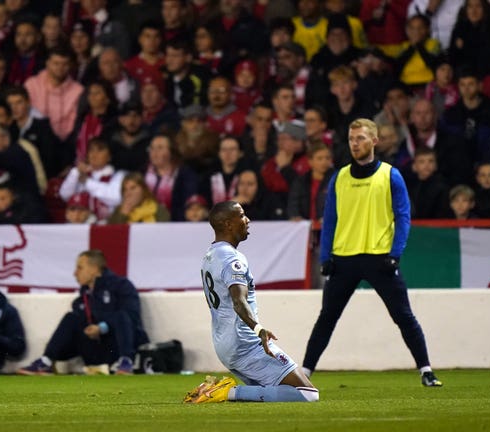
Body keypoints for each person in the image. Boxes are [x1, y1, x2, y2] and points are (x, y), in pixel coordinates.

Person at [302, 118, 443, 387]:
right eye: (352, 139)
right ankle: (304, 373)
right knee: (327, 319)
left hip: (380, 258)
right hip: (344, 259)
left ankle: (426, 370)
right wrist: (325, 257)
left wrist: (396, 252)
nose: (355, 144)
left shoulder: (390, 175)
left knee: (403, 316)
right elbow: (329, 219)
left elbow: (403, 217)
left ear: (374, 141)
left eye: (361, 138)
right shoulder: (339, 177)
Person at [184, 201, 318, 403]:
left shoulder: (210, 256)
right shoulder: (231, 258)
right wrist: (258, 329)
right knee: (306, 393)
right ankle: (223, 392)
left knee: (271, 395)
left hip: (224, 343)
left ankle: (224, 392)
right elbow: (238, 301)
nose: (247, 220)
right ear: (228, 224)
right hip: (246, 343)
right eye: (242, 215)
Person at [18, 249, 149, 375]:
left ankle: (126, 362)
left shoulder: (122, 286)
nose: (75, 273)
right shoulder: (82, 299)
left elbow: (131, 317)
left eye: (80, 268)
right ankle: (46, 361)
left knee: (122, 315)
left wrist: (103, 328)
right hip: (98, 351)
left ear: (94, 269)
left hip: (121, 347)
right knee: (71, 318)